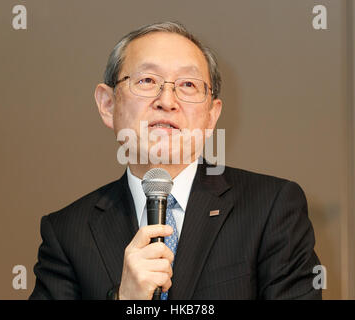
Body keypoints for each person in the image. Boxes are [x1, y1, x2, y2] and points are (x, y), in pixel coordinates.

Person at [29, 21, 322, 300]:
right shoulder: (67, 232)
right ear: (108, 105)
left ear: (212, 115)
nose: (167, 100)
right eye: (147, 80)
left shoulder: (271, 207)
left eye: (188, 85)